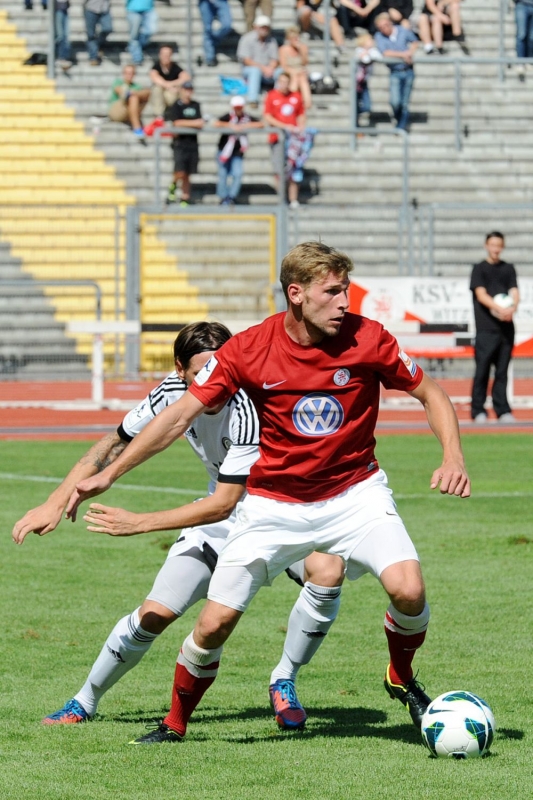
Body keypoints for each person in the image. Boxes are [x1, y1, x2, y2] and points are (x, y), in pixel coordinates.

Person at [68, 241, 471, 745]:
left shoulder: (369, 338)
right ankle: (174, 724)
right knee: (212, 625)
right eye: (333, 292)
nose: (345, 302)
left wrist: (452, 457)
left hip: (355, 493)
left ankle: (399, 674)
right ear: (296, 294)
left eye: (346, 290)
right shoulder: (248, 349)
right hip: (272, 504)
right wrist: (110, 473)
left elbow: (431, 393)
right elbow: (178, 416)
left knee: (409, 590)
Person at [13, 321, 345, 732]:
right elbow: (113, 444)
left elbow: (224, 503)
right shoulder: (171, 392)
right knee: (154, 615)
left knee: (328, 570)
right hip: (221, 520)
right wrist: (54, 501)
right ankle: (84, 701)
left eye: (221, 368)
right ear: (179, 370)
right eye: (203, 371)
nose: (216, 381)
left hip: (278, 516)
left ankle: (284, 678)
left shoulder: (247, 406)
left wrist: (140, 522)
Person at [470, 232, 520, 424]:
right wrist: (500, 309)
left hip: (506, 329)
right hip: (486, 329)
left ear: (503, 246)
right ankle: (478, 410)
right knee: (482, 370)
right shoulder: (479, 269)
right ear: (486, 245)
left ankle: (502, 410)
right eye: (492, 245)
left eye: (499, 245)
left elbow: (514, 292)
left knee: (502, 371)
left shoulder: (508, 268)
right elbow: (481, 295)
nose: (495, 249)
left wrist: (512, 308)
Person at [264, 72, 307, 209]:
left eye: (286, 82)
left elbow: (301, 114)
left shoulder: (296, 96)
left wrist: (300, 128)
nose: (284, 85)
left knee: (294, 169)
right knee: (279, 170)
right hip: (277, 138)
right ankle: (282, 198)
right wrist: (284, 127)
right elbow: (268, 116)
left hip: (293, 140)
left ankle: (293, 199)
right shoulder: (272, 95)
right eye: (281, 82)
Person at [214, 96, 263, 205]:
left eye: (240, 108)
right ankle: (223, 197)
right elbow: (216, 123)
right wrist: (231, 126)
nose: (238, 110)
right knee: (223, 174)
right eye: (236, 108)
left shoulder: (246, 118)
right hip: (224, 150)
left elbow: (261, 123)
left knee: (237, 173)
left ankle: (232, 196)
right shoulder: (228, 117)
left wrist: (245, 126)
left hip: (237, 152)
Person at [374, 11, 418, 130]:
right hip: (395, 71)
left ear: (390, 23)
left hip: (408, 70)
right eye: (381, 27)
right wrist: (403, 55)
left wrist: (410, 52)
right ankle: (399, 120)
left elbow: (414, 42)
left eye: (386, 25)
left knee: (404, 102)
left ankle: (401, 127)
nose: (384, 29)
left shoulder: (402, 30)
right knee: (395, 101)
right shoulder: (379, 36)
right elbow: (385, 52)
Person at [166, 81, 203, 207]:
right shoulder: (176, 105)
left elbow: (200, 123)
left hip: (192, 143)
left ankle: (185, 197)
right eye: (186, 89)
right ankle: (173, 185)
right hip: (180, 143)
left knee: (188, 173)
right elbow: (176, 123)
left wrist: (187, 123)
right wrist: (193, 123)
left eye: (190, 89)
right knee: (180, 171)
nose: (188, 92)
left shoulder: (195, 105)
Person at [237, 15, 280, 108]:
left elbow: (275, 59)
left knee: (281, 72)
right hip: (250, 70)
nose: (264, 29)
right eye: (262, 27)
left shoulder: (272, 40)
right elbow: (246, 60)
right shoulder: (246, 39)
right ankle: (253, 99)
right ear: (256, 27)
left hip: (267, 70)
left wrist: (271, 68)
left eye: (266, 27)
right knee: (255, 71)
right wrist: (263, 68)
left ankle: (278, 98)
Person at [108, 64, 151, 141]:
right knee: (133, 98)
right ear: (123, 73)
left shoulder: (136, 86)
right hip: (116, 110)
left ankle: (137, 125)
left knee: (137, 96)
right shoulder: (118, 82)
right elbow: (119, 90)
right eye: (127, 73)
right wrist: (132, 93)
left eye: (131, 73)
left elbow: (147, 93)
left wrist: (135, 93)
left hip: (128, 110)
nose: (129, 75)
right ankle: (137, 127)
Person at [149, 44, 191, 121]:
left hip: (171, 95)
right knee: (156, 89)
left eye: (168, 54)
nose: (166, 57)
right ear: (160, 55)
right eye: (164, 54)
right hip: (161, 95)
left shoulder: (175, 67)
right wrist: (169, 86)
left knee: (181, 90)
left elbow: (186, 77)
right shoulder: (156, 67)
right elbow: (154, 77)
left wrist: (171, 85)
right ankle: (158, 117)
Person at [279, 25, 312, 111]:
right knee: (296, 77)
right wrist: (293, 71)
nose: (296, 40)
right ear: (289, 39)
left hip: (301, 71)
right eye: (293, 38)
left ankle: (307, 103)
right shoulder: (283, 49)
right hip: (289, 71)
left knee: (302, 77)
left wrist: (301, 51)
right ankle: (293, 99)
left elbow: (305, 63)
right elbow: (283, 66)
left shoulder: (303, 47)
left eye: (297, 38)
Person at [354, 32, 383, 125]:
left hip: (364, 82)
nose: (372, 42)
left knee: (367, 106)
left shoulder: (373, 51)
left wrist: (369, 53)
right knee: (355, 104)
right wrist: (365, 54)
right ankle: (356, 122)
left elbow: (378, 57)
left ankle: (358, 113)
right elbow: (364, 59)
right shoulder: (358, 50)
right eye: (369, 40)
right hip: (356, 82)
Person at [198, 0, 233, 67]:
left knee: (227, 25)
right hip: (205, 2)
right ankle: (209, 57)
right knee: (208, 29)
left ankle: (213, 42)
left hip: (221, 1)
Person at [125, 0, 157, 66]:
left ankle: (136, 47)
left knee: (151, 31)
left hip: (149, 8)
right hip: (133, 9)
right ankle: (137, 57)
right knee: (134, 35)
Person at [83, 0, 113, 66]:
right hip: (91, 8)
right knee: (91, 35)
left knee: (107, 28)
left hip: (104, 8)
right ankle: (93, 57)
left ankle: (98, 45)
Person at [514, 0, 533, 79]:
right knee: (522, 35)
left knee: (532, 37)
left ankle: (529, 61)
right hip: (521, 4)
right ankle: (520, 62)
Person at [55, 1, 73, 70]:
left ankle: (64, 57)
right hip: (57, 8)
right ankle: (60, 57)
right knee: (60, 35)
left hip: (64, 7)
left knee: (65, 35)